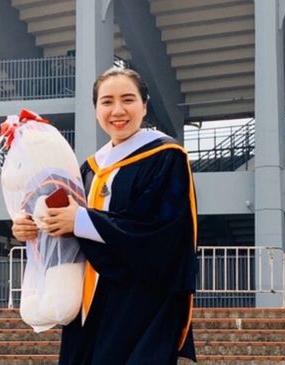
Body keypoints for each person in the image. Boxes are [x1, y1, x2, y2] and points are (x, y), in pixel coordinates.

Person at [12, 67, 198, 365]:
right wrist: (34, 227)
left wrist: (82, 221)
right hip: (88, 303)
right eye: (107, 102)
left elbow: (164, 232)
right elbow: (67, 227)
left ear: (144, 105)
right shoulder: (88, 169)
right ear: (96, 109)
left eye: (128, 99)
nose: (118, 110)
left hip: (140, 301)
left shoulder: (166, 158)